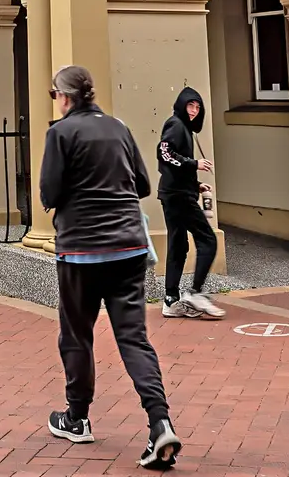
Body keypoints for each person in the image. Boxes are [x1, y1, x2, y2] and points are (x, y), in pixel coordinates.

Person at [40, 65, 182, 470]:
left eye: (55, 95)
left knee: (77, 334)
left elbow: (49, 192)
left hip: (81, 252)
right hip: (129, 248)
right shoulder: (118, 127)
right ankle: (160, 422)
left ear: (65, 97)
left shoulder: (60, 133)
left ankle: (77, 417)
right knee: (133, 338)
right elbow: (142, 185)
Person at [157, 87, 225, 320]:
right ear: (182, 105)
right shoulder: (176, 125)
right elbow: (165, 154)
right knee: (207, 239)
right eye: (190, 106)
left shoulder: (183, 127)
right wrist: (194, 164)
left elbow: (172, 164)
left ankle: (170, 300)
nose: (194, 111)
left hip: (174, 193)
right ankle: (195, 292)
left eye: (197, 107)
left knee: (178, 245)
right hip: (178, 197)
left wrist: (196, 185)